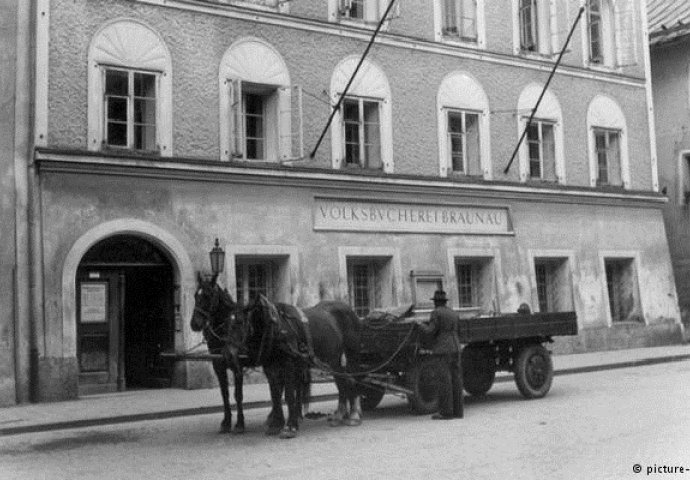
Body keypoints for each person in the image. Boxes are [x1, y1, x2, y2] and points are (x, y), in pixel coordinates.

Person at [418, 289, 463, 419]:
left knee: (444, 380)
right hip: (456, 348)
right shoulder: (453, 313)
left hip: (443, 350)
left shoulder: (436, 313)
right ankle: (458, 411)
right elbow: (459, 331)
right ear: (445, 302)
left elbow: (430, 331)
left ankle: (446, 412)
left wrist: (420, 326)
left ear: (436, 302)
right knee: (456, 379)